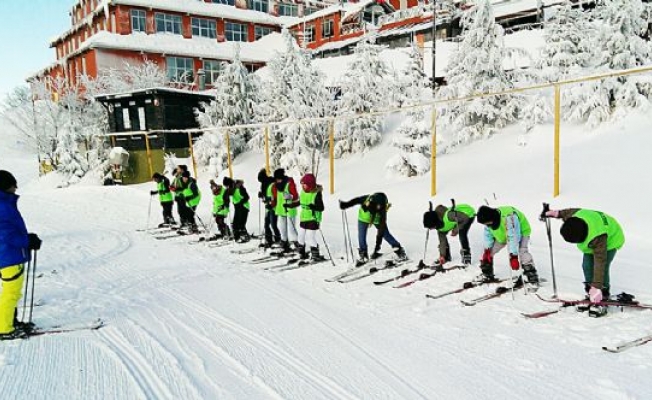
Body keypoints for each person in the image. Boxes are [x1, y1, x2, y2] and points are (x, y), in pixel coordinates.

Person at [543, 207, 624, 303]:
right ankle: (591, 291)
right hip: (594, 230)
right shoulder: (575, 216)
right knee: (587, 265)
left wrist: (597, 286)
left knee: (603, 266)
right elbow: (568, 212)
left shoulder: (597, 237)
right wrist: (556, 213)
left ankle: (603, 292)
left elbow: (600, 263)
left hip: (612, 239)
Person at [0, 170, 42, 340]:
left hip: (8, 254)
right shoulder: (2, 205)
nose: (16, 188)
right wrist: (26, 241)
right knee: (11, 293)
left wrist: (27, 238)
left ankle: (10, 320)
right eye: (12, 184)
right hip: (7, 255)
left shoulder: (4, 203)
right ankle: (4, 328)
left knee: (12, 292)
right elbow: (5, 234)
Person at [475, 205, 540, 285]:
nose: (487, 225)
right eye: (485, 224)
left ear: (491, 218)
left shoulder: (509, 217)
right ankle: (487, 274)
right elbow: (488, 235)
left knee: (522, 252)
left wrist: (513, 256)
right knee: (486, 254)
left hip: (521, 232)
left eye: (487, 223)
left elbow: (513, 237)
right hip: (502, 234)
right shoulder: (487, 220)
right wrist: (487, 249)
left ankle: (531, 276)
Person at [339, 193, 407, 266]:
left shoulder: (382, 210)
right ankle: (363, 254)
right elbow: (356, 201)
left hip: (377, 220)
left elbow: (380, 232)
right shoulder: (367, 199)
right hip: (363, 218)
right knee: (361, 236)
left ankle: (399, 249)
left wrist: (377, 248)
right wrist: (345, 205)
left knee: (385, 234)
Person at [287, 173, 326, 261]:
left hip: (313, 218)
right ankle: (301, 253)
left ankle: (315, 254)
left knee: (310, 237)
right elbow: (299, 202)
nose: (303, 186)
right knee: (300, 236)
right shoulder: (303, 192)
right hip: (304, 217)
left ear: (310, 184)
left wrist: (313, 206)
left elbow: (321, 208)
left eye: (305, 184)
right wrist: (290, 205)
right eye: (302, 184)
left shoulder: (316, 194)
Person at [270, 169, 299, 253]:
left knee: (291, 228)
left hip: (290, 209)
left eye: (278, 178)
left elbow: (296, 196)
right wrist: (271, 204)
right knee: (282, 227)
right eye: (276, 179)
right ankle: (284, 241)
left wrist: (290, 196)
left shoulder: (289, 183)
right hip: (281, 209)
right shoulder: (275, 186)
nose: (277, 180)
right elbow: (274, 198)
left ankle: (296, 243)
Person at [257, 168, 281, 248]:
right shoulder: (264, 184)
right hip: (268, 206)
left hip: (273, 207)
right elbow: (266, 195)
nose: (260, 181)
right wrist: (262, 195)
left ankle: (278, 240)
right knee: (266, 224)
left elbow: (275, 196)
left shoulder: (271, 182)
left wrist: (270, 202)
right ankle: (269, 240)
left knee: (273, 224)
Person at [223, 177, 250, 243]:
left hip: (244, 206)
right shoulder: (231, 189)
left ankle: (244, 236)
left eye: (227, 186)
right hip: (237, 207)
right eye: (226, 186)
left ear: (230, 184)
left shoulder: (239, 187)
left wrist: (240, 202)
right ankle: (237, 237)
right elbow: (225, 196)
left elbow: (247, 197)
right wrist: (226, 205)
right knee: (235, 224)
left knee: (240, 223)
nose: (227, 187)